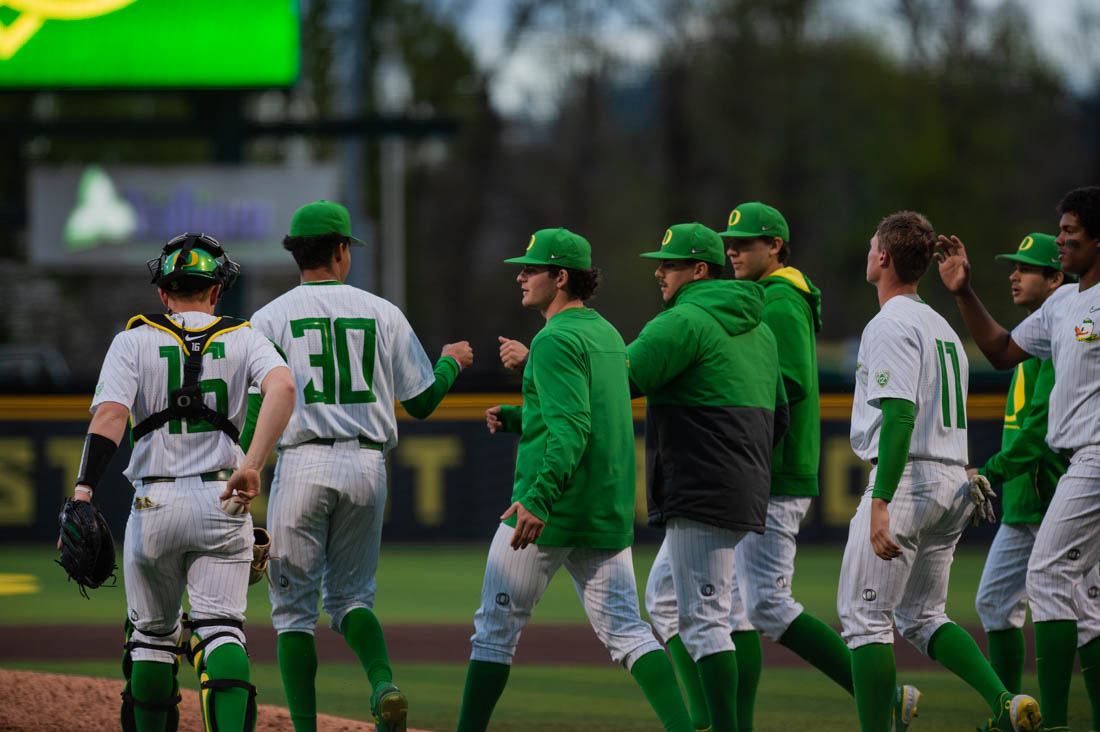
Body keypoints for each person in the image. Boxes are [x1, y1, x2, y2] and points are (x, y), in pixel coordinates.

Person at [248, 200, 473, 732]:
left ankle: (305, 726)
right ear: (342, 250)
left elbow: (256, 408)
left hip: (301, 462)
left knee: (294, 616)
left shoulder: (269, 317)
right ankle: (382, 683)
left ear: (294, 254)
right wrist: (450, 363)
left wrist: (243, 466)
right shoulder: (382, 310)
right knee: (350, 599)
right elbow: (420, 402)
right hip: (367, 466)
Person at [457, 228, 693, 732]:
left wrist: (538, 500)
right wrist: (521, 417)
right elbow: (594, 413)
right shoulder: (606, 333)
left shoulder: (555, 338)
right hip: (604, 509)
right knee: (629, 633)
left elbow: (572, 427)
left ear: (560, 277)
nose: (520, 276)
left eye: (531, 268)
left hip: (550, 510)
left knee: (493, 634)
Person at [74, 233, 294, 731]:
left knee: (151, 640)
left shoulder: (131, 340)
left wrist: (84, 491)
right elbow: (283, 387)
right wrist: (254, 463)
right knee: (221, 632)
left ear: (162, 293)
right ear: (217, 291)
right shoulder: (244, 336)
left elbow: (109, 417)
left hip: (154, 501)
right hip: (224, 498)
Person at [839, 211, 1040, 732]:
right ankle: (1004, 701)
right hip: (954, 481)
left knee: (864, 622)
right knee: (922, 616)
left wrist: (881, 498)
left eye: (871, 244)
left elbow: (901, 414)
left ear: (883, 256)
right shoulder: (943, 326)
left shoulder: (890, 322)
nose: (867, 252)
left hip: (906, 480)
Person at [938, 186, 1100, 732]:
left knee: (1050, 575)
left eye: (1070, 232)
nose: (1060, 240)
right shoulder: (1063, 303)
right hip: (1081, 458)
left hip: (1096, 457)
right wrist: (963, 292)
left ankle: (1050, 723)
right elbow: (1002, 351)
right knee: (1086, 607)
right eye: (1060, 230)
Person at [629, 223, 788, 732]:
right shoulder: (759, 328)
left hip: (701, 485)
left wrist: (538, 362)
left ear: (699, 270)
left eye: (669, 264)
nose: (659, 272)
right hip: (741, 483)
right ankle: (706, 722)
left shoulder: (683, 320)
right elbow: (781, 414)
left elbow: (617, 377)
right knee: (668, 600)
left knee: (704, 622)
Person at [972, 232, 1075, 694]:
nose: (1014, 275)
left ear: (1055, 278)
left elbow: (1038, 429)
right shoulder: (1029, 337)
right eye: (1013, 267)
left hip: (1056, 498)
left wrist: (991, 471)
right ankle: (1011, 711)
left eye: (1025, 268)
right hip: (1021, 504)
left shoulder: (1057, 338)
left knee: (1084, 613)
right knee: (994, 603)